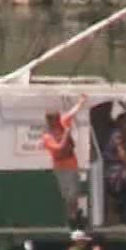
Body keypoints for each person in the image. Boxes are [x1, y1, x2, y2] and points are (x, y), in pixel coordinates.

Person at [42, 94, 89, 225]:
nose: (57, 121)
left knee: (75, 192)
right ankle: (72, 216)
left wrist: (81, 101)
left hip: (72, 164)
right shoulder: (47, 137)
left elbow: (72, 112)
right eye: (54, 120)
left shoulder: (63, 122)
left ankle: (74, 214)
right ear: (49, 121)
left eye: (57, 118)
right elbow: (58, 148)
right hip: (61, 168)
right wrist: (66, 134)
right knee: (68, 195)